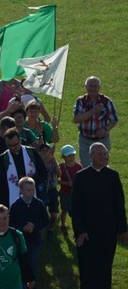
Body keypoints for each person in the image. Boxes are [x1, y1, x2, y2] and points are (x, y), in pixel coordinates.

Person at [71, 142, 127, 289]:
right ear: (91, 156)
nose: (104, 156)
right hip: (87, 232)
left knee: (105, 268)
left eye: (105, 154)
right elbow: (75, 207)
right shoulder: (81, 177)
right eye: (100, 154)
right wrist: (80, 231)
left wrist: (122, 229)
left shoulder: (112, 176)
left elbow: (119, 204)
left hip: (107, 231)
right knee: (87, 269)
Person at [8, 176, 48, 285]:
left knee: (33, 265)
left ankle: (32, 285)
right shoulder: (16, 206)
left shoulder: (38, 203)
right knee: (21, 265)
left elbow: (45, 220)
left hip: (35, 240)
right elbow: (11, 224)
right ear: (20, 190)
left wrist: (34, 226)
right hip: (20, 241)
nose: (31, 192)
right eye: (28, 190)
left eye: (32, 190)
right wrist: (22, 228)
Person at [0, 129, 47, 208]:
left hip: (33, 195)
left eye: (15, 144)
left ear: (20, 141)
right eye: (10, 146)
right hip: (12, 199)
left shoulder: (31, 153)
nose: (13, 148)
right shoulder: (3, 159)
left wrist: (30, 180)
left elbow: (43, 173)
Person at [72, 75, 118, 166]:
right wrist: (93, 111)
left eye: (95, 86)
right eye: (90, 86)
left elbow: (114, 120)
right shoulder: (81, 101)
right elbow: (76, 119)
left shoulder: (106, 101)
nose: (92, 88)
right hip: (85, 140)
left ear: (99, 87)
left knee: (102, 166)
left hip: (102, 140)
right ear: (86, 87)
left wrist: (105, 129)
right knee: (86, 166)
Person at [57, 144, 82, 235]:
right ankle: (63, 224)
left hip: (75, 193)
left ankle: (76, 226)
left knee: (76, 211)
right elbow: (56, 180)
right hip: (65, 193)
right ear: (63, 156)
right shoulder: (61, 167)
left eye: (72, 155)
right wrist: (66, 183)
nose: (71, 157)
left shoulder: (79, 167)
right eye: (68, 156)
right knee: (64, 209)